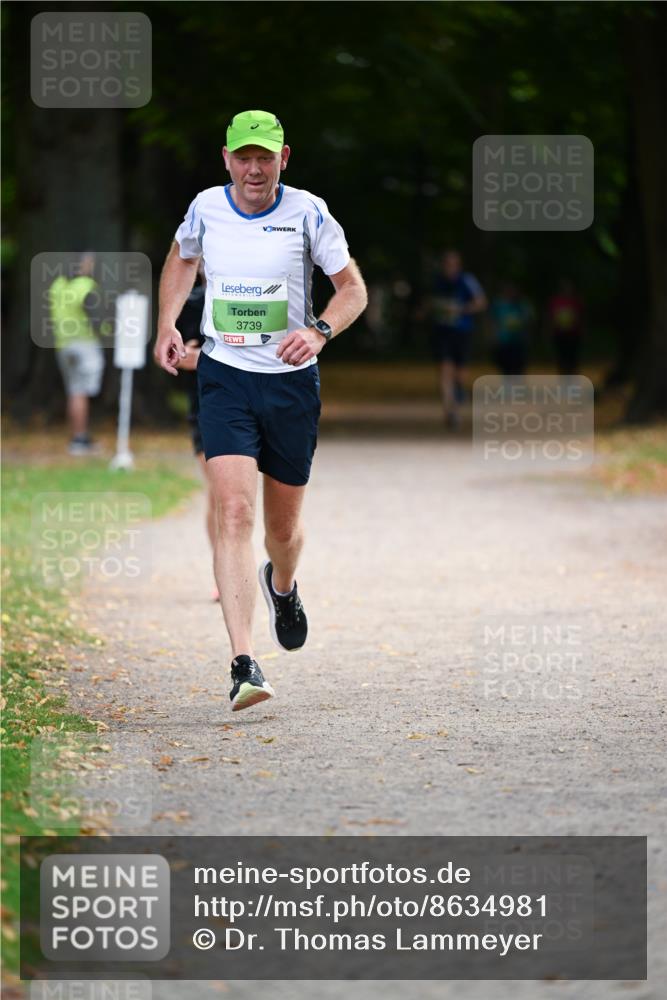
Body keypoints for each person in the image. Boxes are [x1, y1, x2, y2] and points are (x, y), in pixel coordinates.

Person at [154, 110, 367, 712]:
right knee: (234, 511)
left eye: (264, 158)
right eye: (243, 157)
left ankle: (283, 583)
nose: (253, 169)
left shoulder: (308, 212)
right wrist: (167, 322)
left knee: (282, 532)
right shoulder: (206, 207)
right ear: (226, 159)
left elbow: (353, 289)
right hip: (224, 378)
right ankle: (244, 662)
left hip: (290, 386)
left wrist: (320, 331)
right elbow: (181, 258)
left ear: (283, 159)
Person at [174, 268, 219, 601]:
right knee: (222, 493)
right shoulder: (190, 305)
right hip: (206, 405)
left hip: (259, 403)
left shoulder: (265, 292)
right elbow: (178, 356)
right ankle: (225, 571)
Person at [48, 252, 106, 455]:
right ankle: (80, 439)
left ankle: (78, 436)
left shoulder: (58, 285)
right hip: (84, 344)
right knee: (81, 392)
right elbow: (96, 317)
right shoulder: (86, 286)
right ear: (83, 265)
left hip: (63, 345)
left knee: (74, 392)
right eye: (90, 263)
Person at [430, 250, 486, 428]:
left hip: (462, 331)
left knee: (460, 372)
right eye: (446, 264)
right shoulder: (437, 281)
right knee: (444, 369)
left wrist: (461, 309)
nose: (449, 267)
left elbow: (481, 302)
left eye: (452, 264)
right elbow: (430, 302)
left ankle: (459, 390)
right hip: (442, 331)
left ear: (458, 265)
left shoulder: (467, 280)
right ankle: (450, 410)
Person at [489, 281, 533, 378]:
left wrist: (527, 337)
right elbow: (493, 322)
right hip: (503, 342)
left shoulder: (522, 305)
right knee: (505, 368)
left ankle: (518, 385)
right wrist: (493, 337)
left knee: (519, 368)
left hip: (519, 342)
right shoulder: (498, 305)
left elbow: (528, 322)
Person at [546, 278, 584, 375]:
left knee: (573, 359)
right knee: (561, 358)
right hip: (559, 334)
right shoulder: (555, 301)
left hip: (573, 334)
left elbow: (581, 317)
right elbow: (550, 317)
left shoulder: (576, 301)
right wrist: (550, 331)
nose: (567, 290)